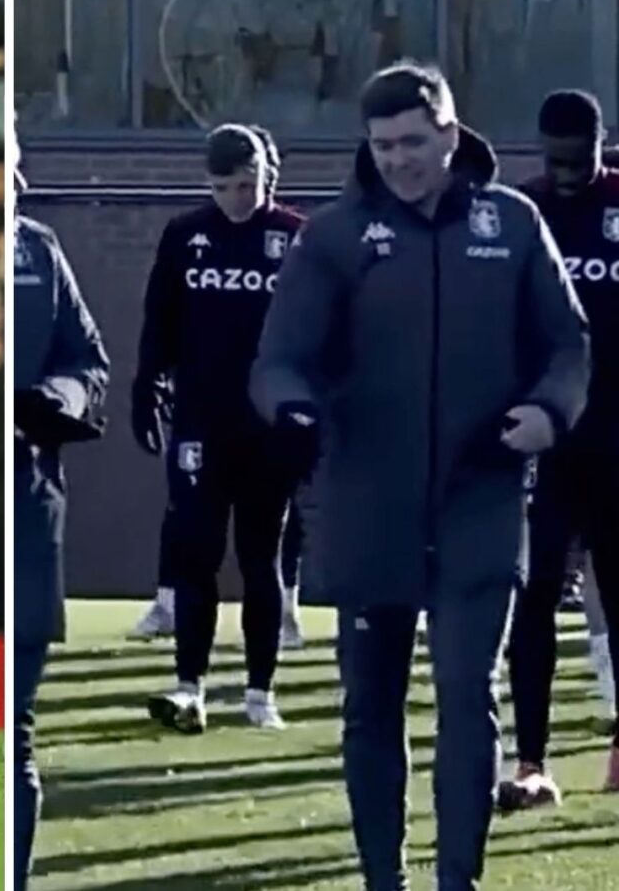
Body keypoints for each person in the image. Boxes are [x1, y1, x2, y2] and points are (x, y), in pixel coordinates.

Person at [251, 62, 589, 891]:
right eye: (382, 144)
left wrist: (547, 412)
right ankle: (383, 880)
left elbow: (569, 345)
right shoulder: (332, 236)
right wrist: (292, 411)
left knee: (468, 701)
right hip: (370, 507)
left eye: (413, 142)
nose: (398, 159)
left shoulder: (511, 225)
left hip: (481, 500)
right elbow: (278, 359)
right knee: (370, 708)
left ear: (448, 133)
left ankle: (456, 881)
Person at [136, 124, 305, 732]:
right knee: (196, 554)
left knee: (261, 557)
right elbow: (161, 317)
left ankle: (260, 692)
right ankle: (190, 687)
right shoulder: (186, 235)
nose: (239, 196)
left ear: (267, 176)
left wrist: (309, 411)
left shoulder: (294, 238)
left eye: (249, 183)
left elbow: (316, 331)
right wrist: (146, 383)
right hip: (200, 423)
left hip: (266, 429)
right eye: (226, 186)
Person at [499, 88, 619, 809]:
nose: (566, 172)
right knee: (535, 594)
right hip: (549, 438)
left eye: (579, 159)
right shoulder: (523, 213)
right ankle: (531, 762)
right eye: (554, 159)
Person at [14, 174, 110, 885]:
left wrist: (53, 398)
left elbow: (89, 362)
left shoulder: (39, 251)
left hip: (32, 495)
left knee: (15, 727)